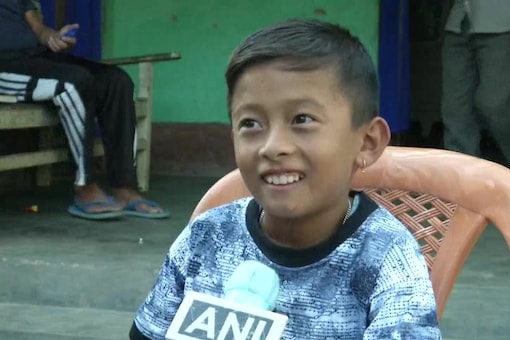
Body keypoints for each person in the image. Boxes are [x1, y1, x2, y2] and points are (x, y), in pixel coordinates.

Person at [129, 19, 441, 339]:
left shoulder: (387, 256)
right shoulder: (207, 236)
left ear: (367, 142)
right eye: (250, 123)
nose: (273, 147)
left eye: (302, 119)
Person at [0, 0, 169, 220]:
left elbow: (39, 30)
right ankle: (85, 186)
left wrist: (53, 38)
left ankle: (124, 187)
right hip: (4, 66)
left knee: (116, 81)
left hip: (34, 58)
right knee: (73, 84)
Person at [441, 0, 510, 164]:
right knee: (455, 109)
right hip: (459, 21)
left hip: (501, 22)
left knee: (494, 104)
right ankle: (459, 178)